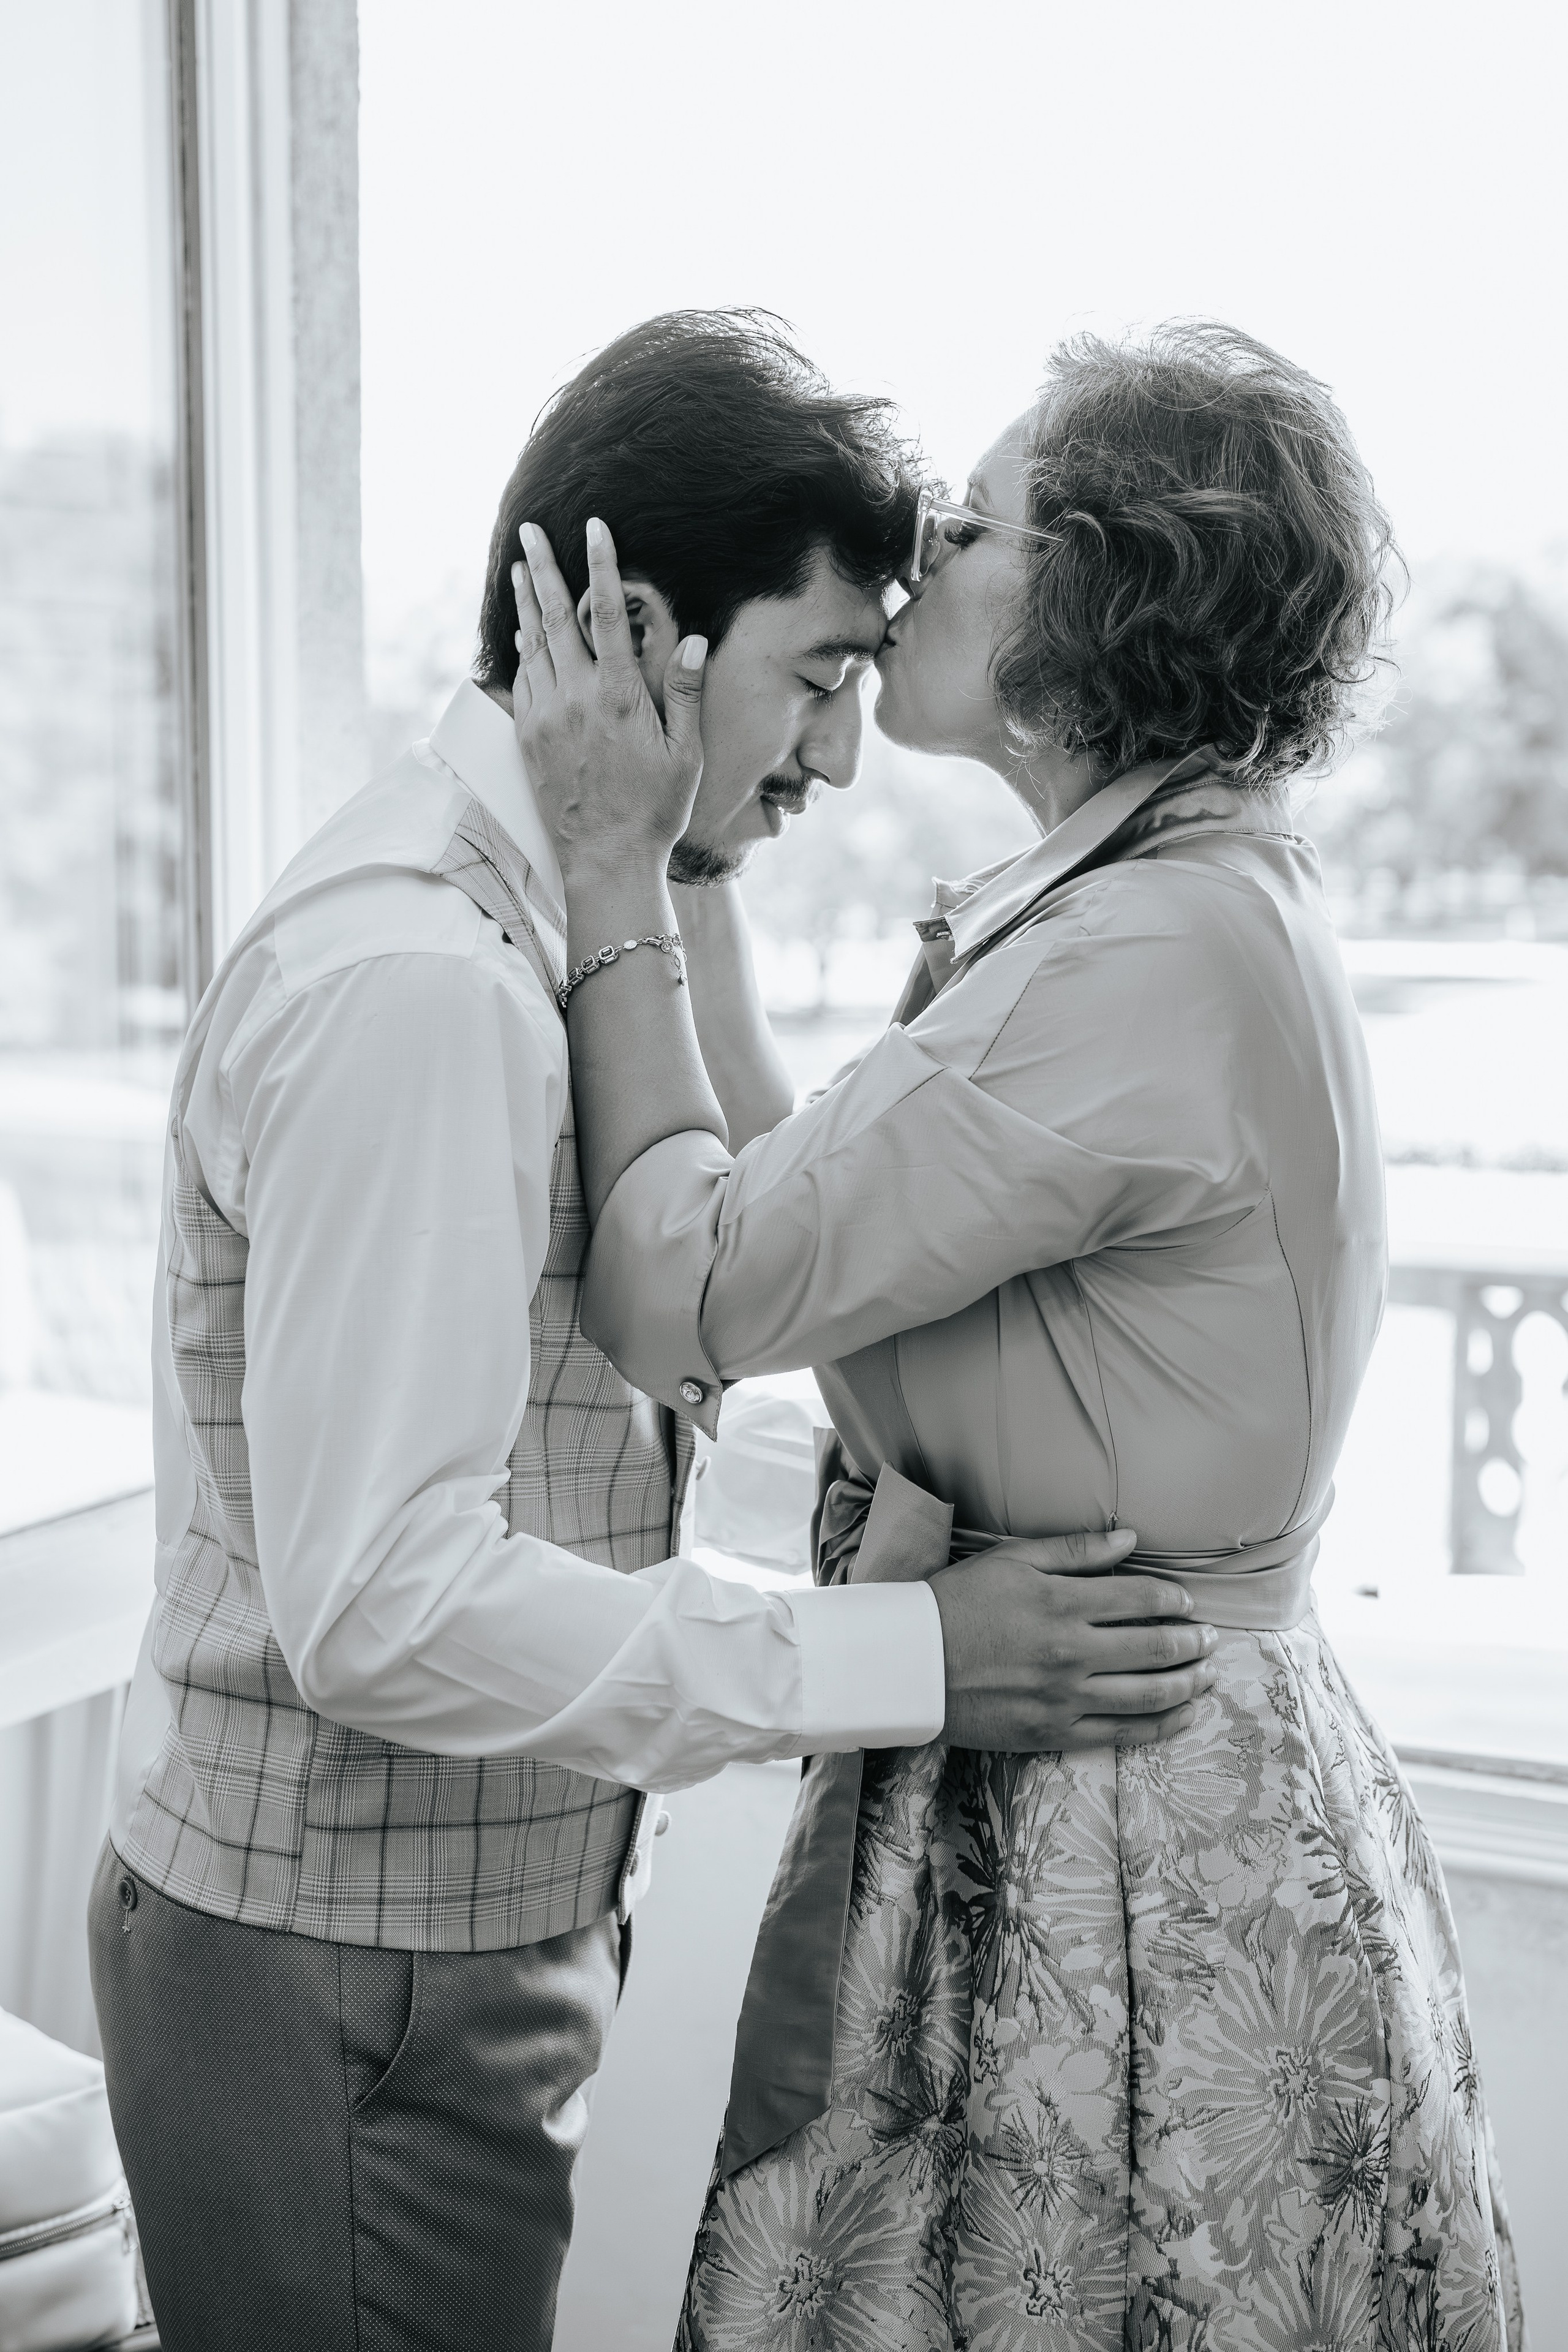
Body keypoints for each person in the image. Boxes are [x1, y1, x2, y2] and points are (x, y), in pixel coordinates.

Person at [85, 312, 1216, 2352]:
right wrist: (909, 1661)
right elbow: (386, 1604)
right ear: (633, 638)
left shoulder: (543, 927)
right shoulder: (425, 986)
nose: (843, 757)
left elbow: (627, 1338)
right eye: (823, 675)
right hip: (342, 1979)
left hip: (431, 1952)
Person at [512, 320, 1526, 2351]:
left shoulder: (1138, 956)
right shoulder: (1170, 903)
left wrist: (612, 861)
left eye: (973, 526)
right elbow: (800, 1202)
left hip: (1113, 1831)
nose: (916, 565)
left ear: (1103, 592)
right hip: (1108, 1763)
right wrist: (692, 846)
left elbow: (687, 1291)